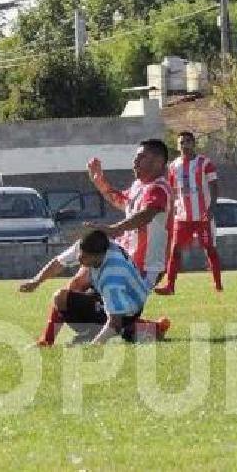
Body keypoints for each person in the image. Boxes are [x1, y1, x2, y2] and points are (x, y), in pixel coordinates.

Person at [19, 230, 171, 346]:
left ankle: (141, 328)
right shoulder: (93, 245)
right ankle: (151, 328)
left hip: (128, 310)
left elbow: (115, 322)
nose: (79, 259)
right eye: (80, 254)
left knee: (63, 297)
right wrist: (36, 281)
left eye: (84, 257)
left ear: (98, 256)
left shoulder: (112, 276)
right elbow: (59, 263)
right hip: (121, 297)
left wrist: (94, 346)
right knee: (73, 287)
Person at [84, 139, 173, 289]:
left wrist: (114, 228)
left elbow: (147, 214)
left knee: (82, 294)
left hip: (146, 267)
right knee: (81, 281)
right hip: (127, 259)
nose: (135, 161)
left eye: (141, 157)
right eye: (136, 157)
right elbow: (122, 202)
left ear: (158, 162)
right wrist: (99, 182)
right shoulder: (138, 186)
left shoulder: (159, 188)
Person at [154, 131, 223, 295]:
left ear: (193, 144)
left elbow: (214, 185)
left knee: (210, 249)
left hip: (202, 216)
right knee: (175, 249)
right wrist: (169, 213)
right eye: (181, 142)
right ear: (178, 146)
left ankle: (218, 284)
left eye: (187, 141)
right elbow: (171, 191)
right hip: (182, 217)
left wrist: (212, 206)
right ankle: (170, 286)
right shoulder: (173, 166)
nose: (184, 145)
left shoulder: (205, 163)